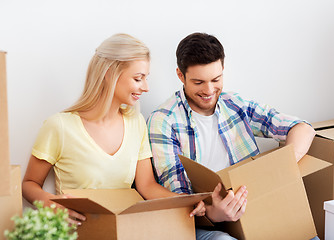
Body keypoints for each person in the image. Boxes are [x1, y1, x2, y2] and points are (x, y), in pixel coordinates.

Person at [22, 33, 205, 226]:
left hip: (124, 230)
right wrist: (52, 205)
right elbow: (29, 184)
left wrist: (187, 202)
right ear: (110, 74)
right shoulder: (59, 126)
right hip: (79, 232)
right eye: (138, 78)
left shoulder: (136, 123)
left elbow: (147, 186)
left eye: (146, 78)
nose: (146, 87)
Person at [147, 32, 317, 240]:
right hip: (200, 224)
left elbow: (302, 128)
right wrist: (213, 214)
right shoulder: (164, 120)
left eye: (216, 79)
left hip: (253, 210)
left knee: (307, 236)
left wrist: (283, 166)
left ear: (223, 70)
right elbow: (178, 200)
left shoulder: (235, 104)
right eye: (198, 82)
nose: (209, 90)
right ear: (180, 76)